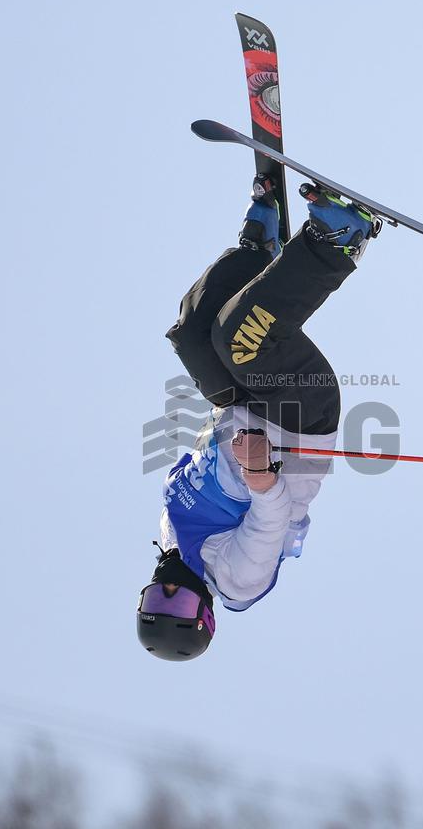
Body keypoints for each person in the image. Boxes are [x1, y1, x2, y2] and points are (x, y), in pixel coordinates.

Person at [137, 175, 379, 661]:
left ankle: (257, 254)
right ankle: (338, 242)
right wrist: (259, 473)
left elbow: (208, 452)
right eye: (179, 602)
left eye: (152, 599)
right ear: (203, 613)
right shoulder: (234, 581)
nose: (167, 589)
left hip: (243, 407)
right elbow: (272, 522)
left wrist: (220, 406)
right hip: (299, 421)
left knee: (193, 336)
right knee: (241, 343)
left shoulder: (172, 535)